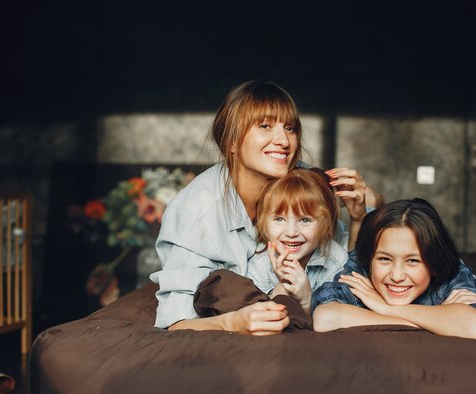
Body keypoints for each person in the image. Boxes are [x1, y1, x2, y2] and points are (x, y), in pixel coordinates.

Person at [150, 80, 367, 334]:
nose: (284, 141)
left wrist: (362, 211)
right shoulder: (195, 211)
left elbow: (360, 233)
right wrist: (233, 323)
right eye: (265, 126)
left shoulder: (301, 179)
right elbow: (176, 323)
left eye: (290, 128)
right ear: (231, 142)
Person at [311, 198, 476, 340]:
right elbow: (325, 318)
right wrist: (435, 322)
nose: (396, 276)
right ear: (369, 260)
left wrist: (385, 308)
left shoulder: (451, 274)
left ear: (434, 264)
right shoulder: (360, 270)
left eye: (412, 261)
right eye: (385, 259)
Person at [246, 168, 349, 314]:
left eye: (305, 220)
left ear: (324, 225)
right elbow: (259, 319)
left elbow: (332, 321)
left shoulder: (335, 261)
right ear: (264, 222)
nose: (291, 232)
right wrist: (281, 289)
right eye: (279, 219)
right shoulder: (257, 262)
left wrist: (308, 300)